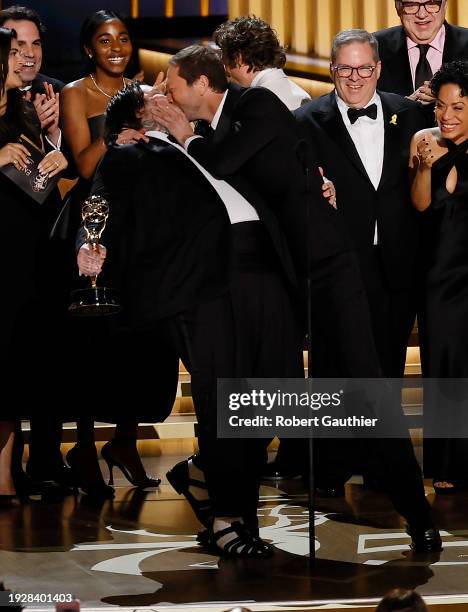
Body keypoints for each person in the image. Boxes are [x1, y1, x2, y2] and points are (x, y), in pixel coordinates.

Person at [151, 44, 441, 553]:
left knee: (370, 391)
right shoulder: (243, 123)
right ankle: (211, 480)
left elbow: (223, 160)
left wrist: (183, 133)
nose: (166, 96)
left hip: (330, 269)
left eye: (171, 86)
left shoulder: (256, 105)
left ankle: (417, 514)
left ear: (201, 85)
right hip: (286, 280)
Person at [80, 81, 303, 557]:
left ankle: (203, 474)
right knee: (225, 399)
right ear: (140, 115)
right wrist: (89, 244)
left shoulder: (211, 139)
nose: (169, 95)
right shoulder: (130, 153)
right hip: (199, 288)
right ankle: (229, 518)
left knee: (277, 391)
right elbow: (98, 203)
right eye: (155, 93)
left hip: (263, 275)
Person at [60, 10, 167, 499]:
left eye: (123, 38)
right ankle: (83, 447)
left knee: (138, 336)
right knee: (91, 338)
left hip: (142, 222)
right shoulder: (74, 94)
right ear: (89, 48)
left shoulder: (146, 90)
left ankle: (125, 442)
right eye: (105, 40)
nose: (117, 47)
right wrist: (116, 134)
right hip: (96, 223)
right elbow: (82, 165)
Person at [0, 4, 72, 498]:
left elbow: (47, 179)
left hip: (32, 246)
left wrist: (53, 140)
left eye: (33, 45)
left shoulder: (39, 99)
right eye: (13, 48)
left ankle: (18, 472)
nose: (25, 56)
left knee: (25, 362)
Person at [409, 60, 468, 493]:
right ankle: (446, 461)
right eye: (442, 106)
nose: (447, 115)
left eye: (460, 107)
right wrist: (427, 168)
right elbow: (420, 207)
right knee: (444, 367)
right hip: (440, 277)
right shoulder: (423, 141)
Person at [375, 0, 468, 106]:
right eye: (411, 5)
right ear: (398, 7)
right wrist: (403, 107)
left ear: (445, 4)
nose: (422, 15)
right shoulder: (373, 48)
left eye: (432, 3)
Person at [213, 15, 310, 111]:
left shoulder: (253, 106)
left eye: (223, 54)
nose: (222, 61)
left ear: (239, 58)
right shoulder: (303, 97)